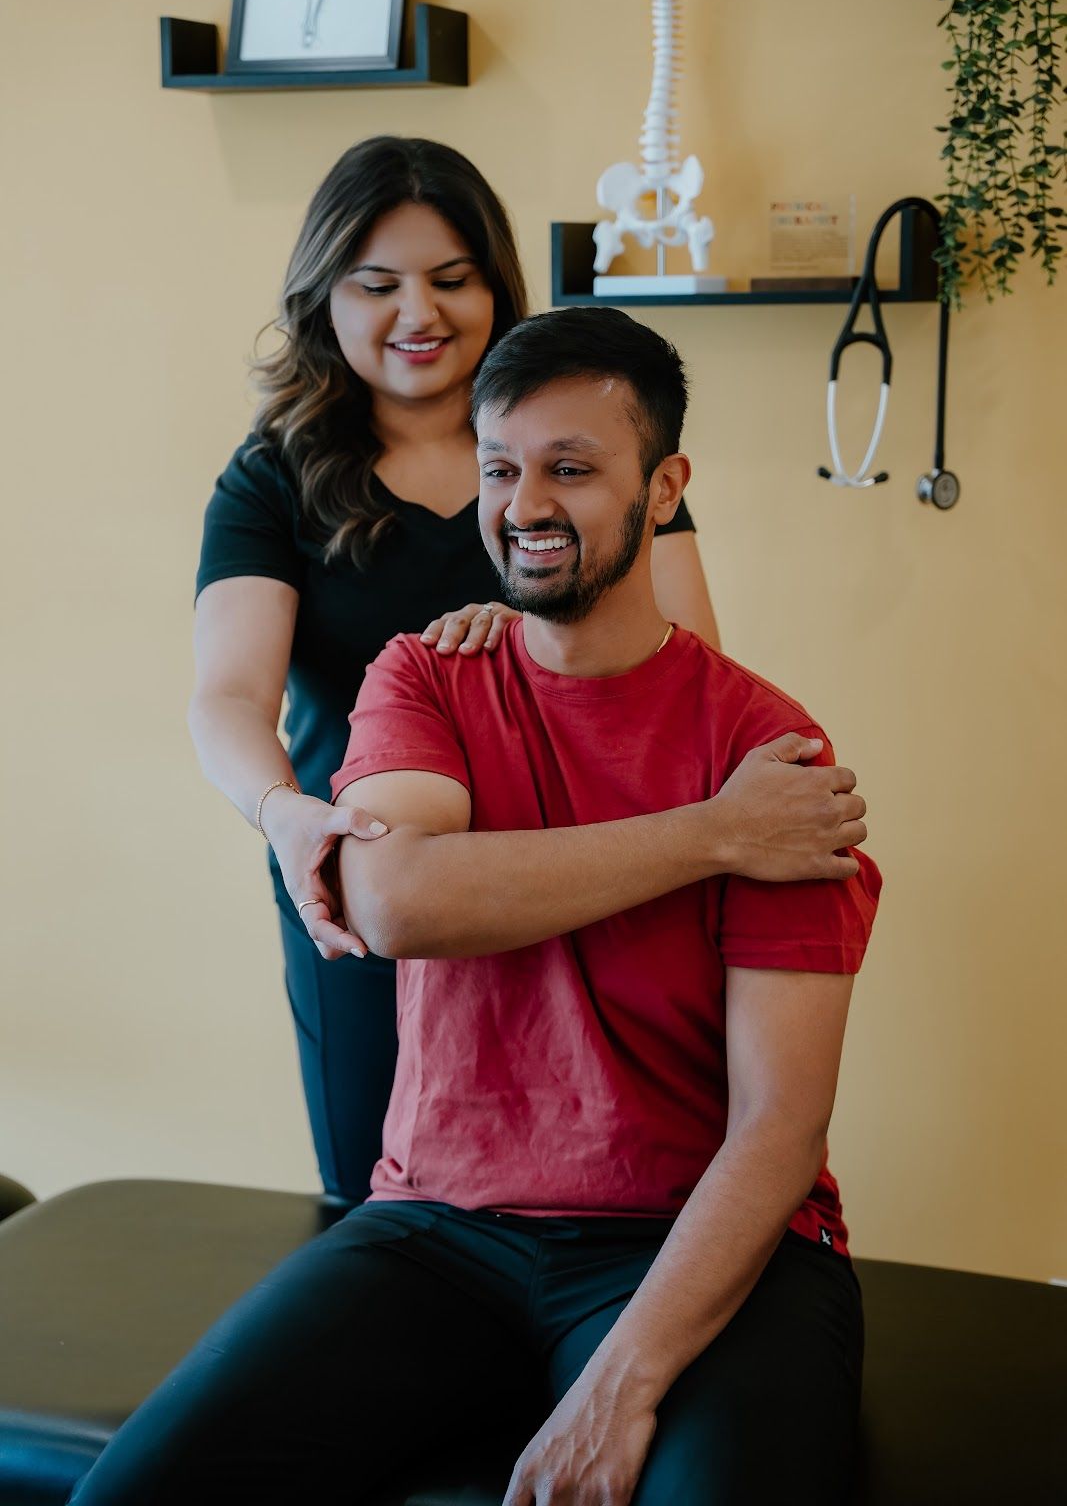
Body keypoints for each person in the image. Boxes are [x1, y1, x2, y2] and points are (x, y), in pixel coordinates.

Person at [73, 308, 879, 1505]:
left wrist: (618, 1387)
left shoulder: (769, 757)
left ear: (663, 490)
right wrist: (708, 837)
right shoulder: (424, 677)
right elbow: (393, 900)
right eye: (501, 468)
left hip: (694, 1237)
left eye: (570, 468)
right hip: (442, 1227)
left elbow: (775, 1129)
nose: (523, 504)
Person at [188, 136, 722, 1204]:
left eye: (451, 278)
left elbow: (690, 662)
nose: (417, 314)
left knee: (601, 1201)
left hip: (586, 869)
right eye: (377, 285)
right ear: (323, 296)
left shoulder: (576, 443)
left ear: (496, 286)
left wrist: (538, 621)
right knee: (381, 1203)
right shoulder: (274, 473)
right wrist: (287, 815)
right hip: (372, 887)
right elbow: (229, 696)